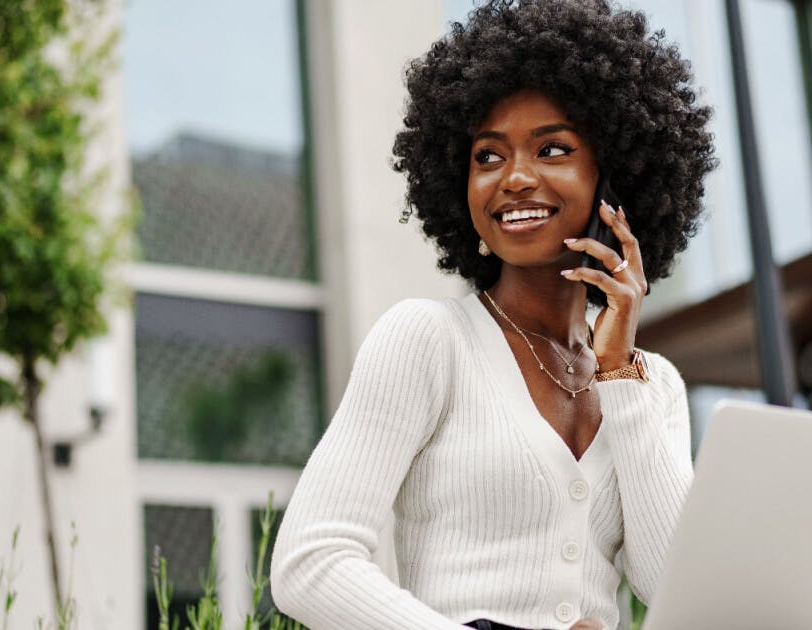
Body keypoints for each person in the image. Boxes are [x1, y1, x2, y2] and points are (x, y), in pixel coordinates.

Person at [271, 1, 715, 628]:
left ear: (613, 178)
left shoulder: (654, 386)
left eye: (552, 149)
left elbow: (674, 585)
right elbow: (309, 564)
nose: (514, 179)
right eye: (488, 156)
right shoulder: (427, 339)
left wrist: (617, 371)